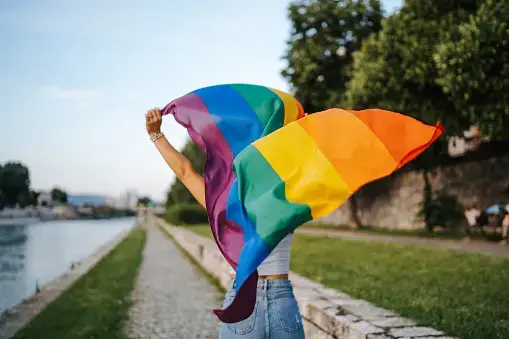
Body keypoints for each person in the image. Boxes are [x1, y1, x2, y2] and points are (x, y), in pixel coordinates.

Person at [145, 108, 305, 338]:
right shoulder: (290, 198)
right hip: (283, 302)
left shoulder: (226, 206)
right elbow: (307, 165)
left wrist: (155, 134)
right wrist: (303, 132)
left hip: (242, 301)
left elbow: (185, 172)